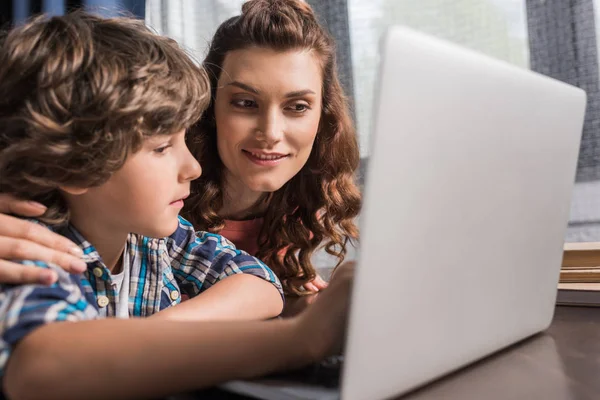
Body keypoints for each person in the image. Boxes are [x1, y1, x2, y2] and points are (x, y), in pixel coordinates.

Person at [0, 12, 353, 400]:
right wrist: (301, 341)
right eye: (162, 147)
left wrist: (154, 333)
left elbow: (260, 281)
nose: (193, 167)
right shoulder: (35, 252)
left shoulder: (155, 239)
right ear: (76, 166)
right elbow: (39, 368)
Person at [0, 0, 362, 295]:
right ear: (210, 108)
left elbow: (264, 289)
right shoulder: (144, 190)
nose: (271, 132)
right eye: (245, 103)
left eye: (297, 106)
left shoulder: (307, 197)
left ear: (323, 114)